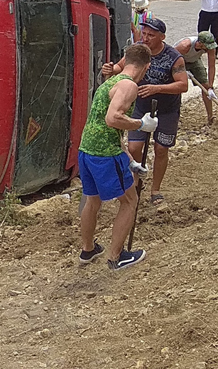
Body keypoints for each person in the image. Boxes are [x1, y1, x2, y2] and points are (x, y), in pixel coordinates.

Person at [77, 43, 154, 271]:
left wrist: (130, 159)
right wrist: (142, 124)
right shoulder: (129, 86)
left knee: (92, 200)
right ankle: (116, 257)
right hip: (105, 154)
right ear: (146, 67)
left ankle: (88, 249)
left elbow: (106, 125)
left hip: (87, 149)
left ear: (125, 60)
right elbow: (113, 119)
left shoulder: (111, 82)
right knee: (130, 201)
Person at [102, 17, 187, 206]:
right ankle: (136, 183)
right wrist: (111, 68)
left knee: (161, 148)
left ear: (162, 37)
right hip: (140, 106)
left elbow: (183, 85)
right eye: (145, 34)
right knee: (133, 148)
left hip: (166, 109)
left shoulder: (174, 57)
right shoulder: (138, 50)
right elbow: (121, 67)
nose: (146, 38)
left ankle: (156, 189)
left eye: (151, 35)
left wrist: (157, 88)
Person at [174, 31, 218, 125]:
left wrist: (210, 86)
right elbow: (172, 59)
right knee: (178, 87)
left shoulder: (210, 48)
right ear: (200, 43)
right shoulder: (185, 45)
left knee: (205, 87)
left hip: (194, 61)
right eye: (207, 46)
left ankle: (210, 117)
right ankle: (174, 116)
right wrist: (183, 71)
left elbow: (212, 66)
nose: (209, 49)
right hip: (178, 62)